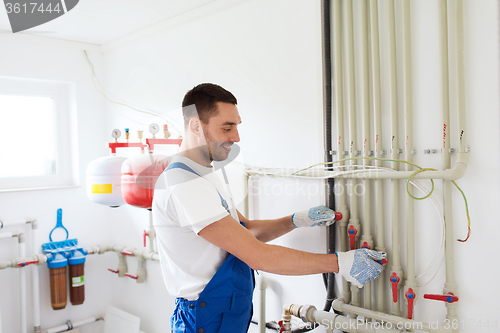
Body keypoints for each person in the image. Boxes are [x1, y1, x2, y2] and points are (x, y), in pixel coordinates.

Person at [152, 83, 386, 333]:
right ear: (196, 126)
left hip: (223, 311)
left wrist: (297, 220)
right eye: (226, 128)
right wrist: (339, 263)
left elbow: (245, 230)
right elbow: (256, 255)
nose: (236, 137)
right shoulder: (185, 184)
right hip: (203, 316)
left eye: (236, 127)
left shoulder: (204, 174)